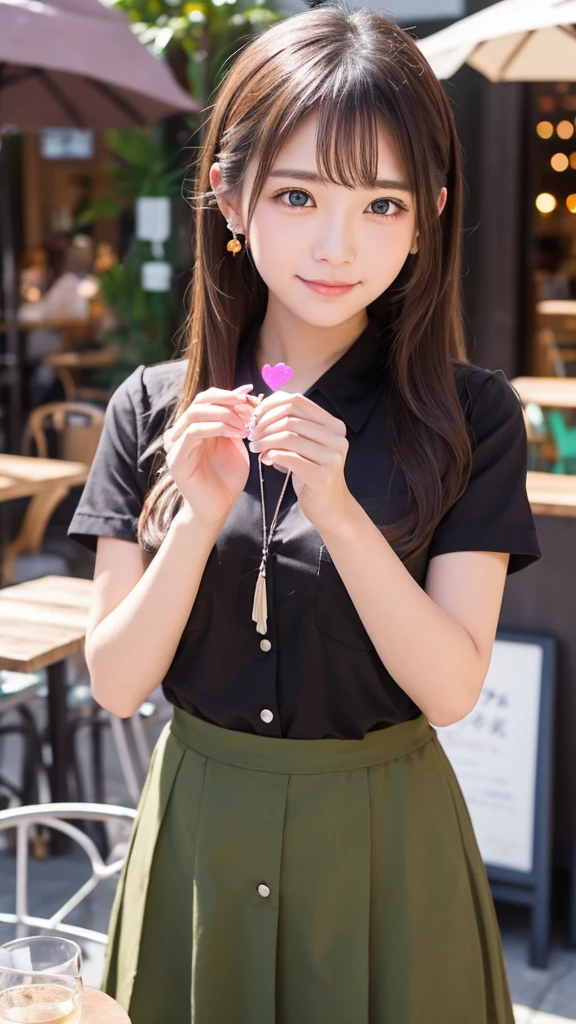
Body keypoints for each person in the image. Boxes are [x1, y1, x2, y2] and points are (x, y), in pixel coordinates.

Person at [67, 5, 542, 1022]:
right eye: (297, 194)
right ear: (230, 199)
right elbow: (114, 679)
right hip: (202, 831)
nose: (339, 244)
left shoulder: (473, 417)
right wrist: (196, 517)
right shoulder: (152, 407)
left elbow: (453, 685)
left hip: (384, 843)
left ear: (428, 218)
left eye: (383, 205)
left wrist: (337, 508)